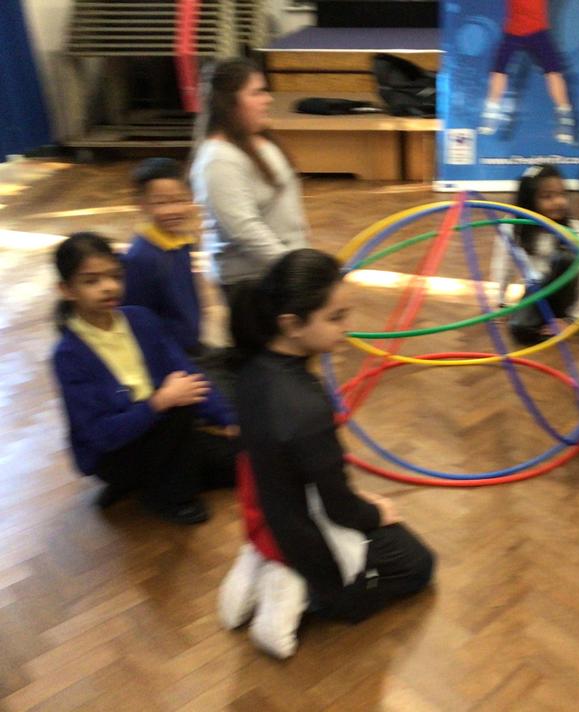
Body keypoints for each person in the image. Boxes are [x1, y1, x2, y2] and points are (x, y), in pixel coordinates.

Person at [217, 249, 435, 658]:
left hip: (268, 513)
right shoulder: (305, 406)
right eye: (335, 318)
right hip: (302, 537)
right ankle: (301, 590)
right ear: (291, 324)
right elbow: (339, 508)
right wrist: (377, 513)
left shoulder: (249, 367)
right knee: (419, 564)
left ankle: (268, 563)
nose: (346, 328)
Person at [51, 233, 237, 524]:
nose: (108, 287)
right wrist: (159, 403)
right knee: (180, 408)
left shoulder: (141, 319)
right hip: (117, 452)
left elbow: (188, 372)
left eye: (115, 276)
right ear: (67, 290)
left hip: (162, 430)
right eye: (91, 281)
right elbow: (100, 435)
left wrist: (227, 418)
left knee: (239, 462)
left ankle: (148, 481)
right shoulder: (68, 355)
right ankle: (170, 499)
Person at [189, 58, 309, 293]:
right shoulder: (218, 159)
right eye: (256, 93)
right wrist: (294, 270)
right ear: (229, 103)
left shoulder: (259, 139)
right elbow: (245, 230)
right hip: (253, 284)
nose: (268, 99)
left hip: (281, 270)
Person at [489, 164, 579, 345]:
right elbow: (503, 264)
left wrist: (574, 319)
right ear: (529, 200)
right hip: (537, 291)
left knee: (564, 258)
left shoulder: (574, 229)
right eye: (547, 196)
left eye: (562, 194)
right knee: (519, 329)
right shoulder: (511, 226)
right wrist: (500, 302)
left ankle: (557, 320)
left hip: (567, 296)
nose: (559, 202)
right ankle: (542, 322)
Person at [122, 158, 203, 356]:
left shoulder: (182, 242)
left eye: (180, 200)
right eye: (161, 203)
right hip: (167, 353)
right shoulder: (140, 258)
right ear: (142, 205)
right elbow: (136, 317)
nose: (173, 210)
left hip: (188, 343)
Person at [478, 0, 575, 144]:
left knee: (554, 73)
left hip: (538, 33)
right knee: (498, 72)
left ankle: (565, 119)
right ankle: (490, 113)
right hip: (513, 33)